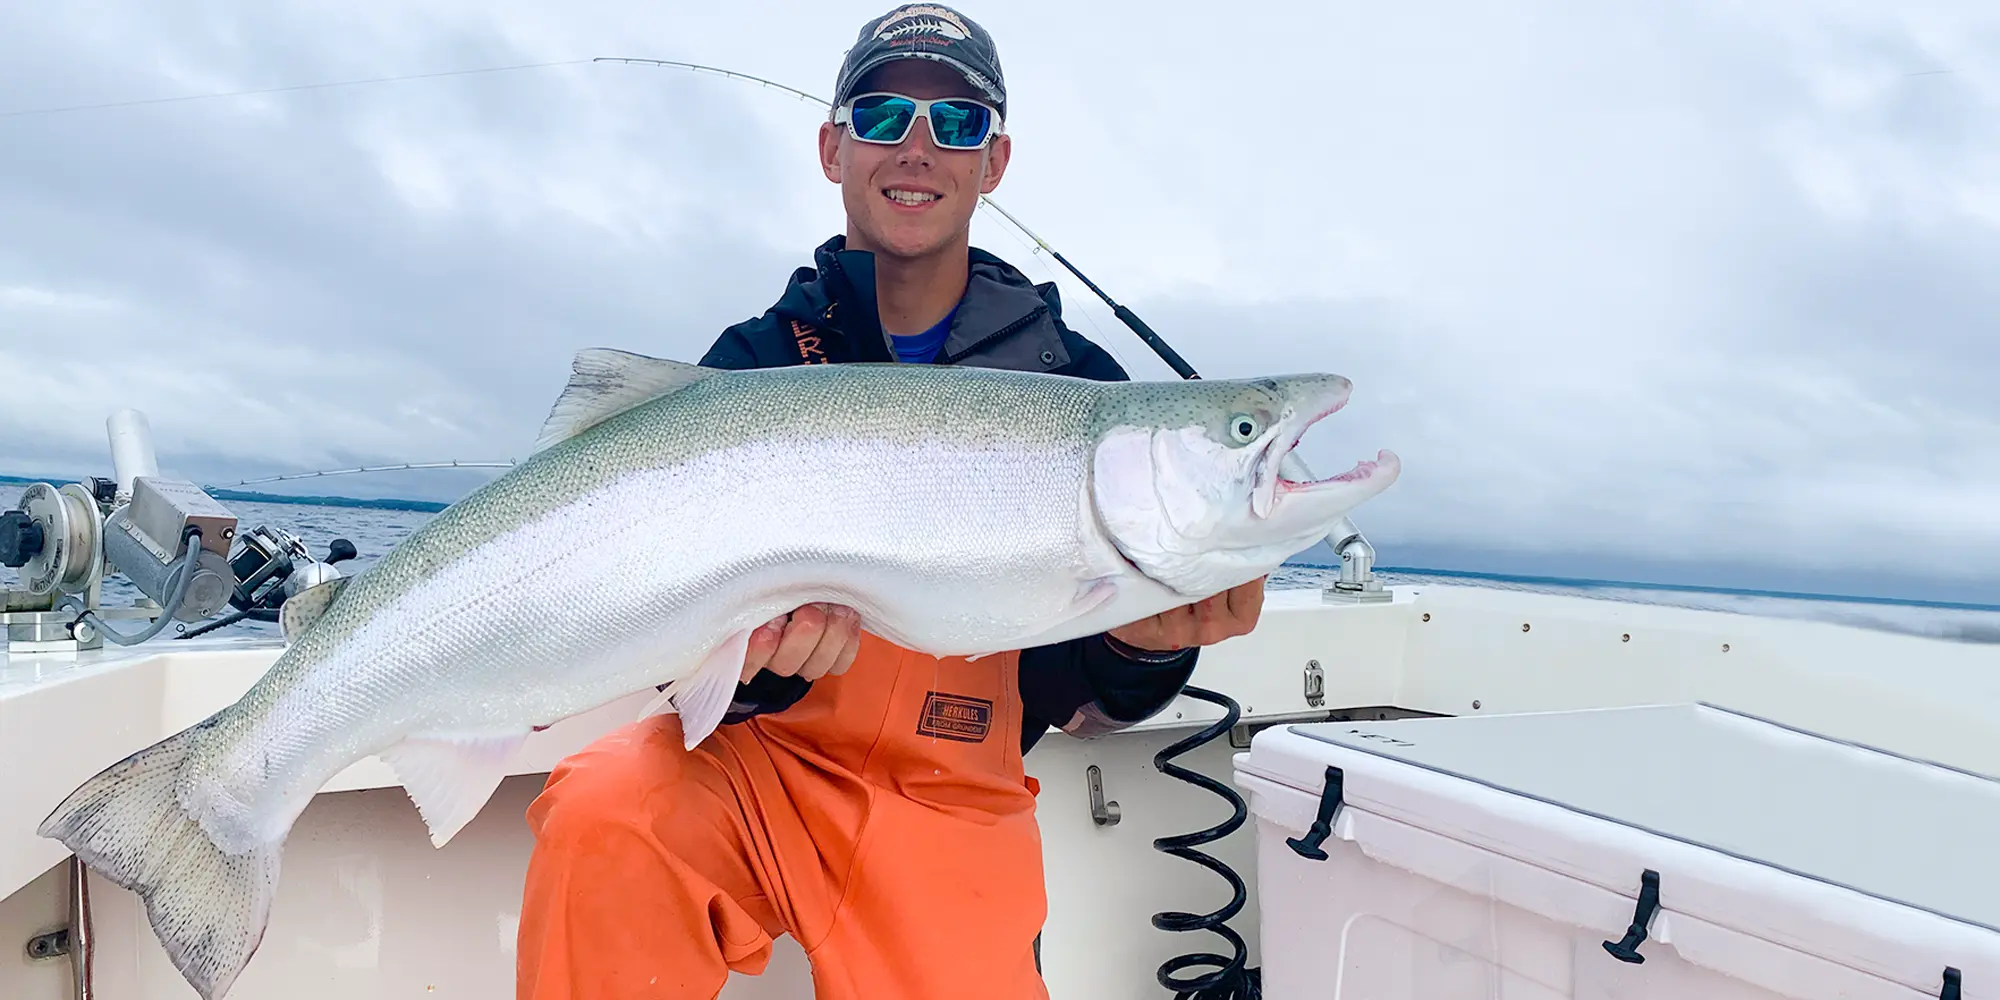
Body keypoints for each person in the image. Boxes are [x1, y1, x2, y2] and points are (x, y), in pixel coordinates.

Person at [513, 6, 1267, 998]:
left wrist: (1149, 644)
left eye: (956, 124)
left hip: (954, 791)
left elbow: (1081, 693)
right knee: (606, 809)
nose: (918, 146)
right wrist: (762, 673)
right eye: (882, 114)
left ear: (993, 161)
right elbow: (684, 648)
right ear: (832, 146)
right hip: (754, 765)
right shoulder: (755, 363)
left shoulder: (1081, 388)